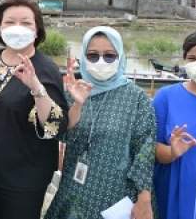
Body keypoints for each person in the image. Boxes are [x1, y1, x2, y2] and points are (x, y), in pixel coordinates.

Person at [0, 0, 68, 219]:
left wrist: (36, 88)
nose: (17, 28)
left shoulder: (44, 70)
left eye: (25, 23)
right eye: (9, 22)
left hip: (23, 179)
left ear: (37, 30)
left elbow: (55, 126)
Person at [46, 26, 155, 219]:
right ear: (84, 57)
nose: (101, 61)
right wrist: (77, 104)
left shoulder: (136, 97)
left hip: (117, 194)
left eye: (109, 56)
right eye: (93, 56)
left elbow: (144, 150)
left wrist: (144, 197)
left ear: (120, 57)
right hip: (74, 190)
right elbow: (60, 134)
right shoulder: (74, 91)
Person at [153, 30, 196, 219]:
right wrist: (172, 152)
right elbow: (151, 148)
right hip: (174, 189)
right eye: (192, 58)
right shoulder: (166, 97)